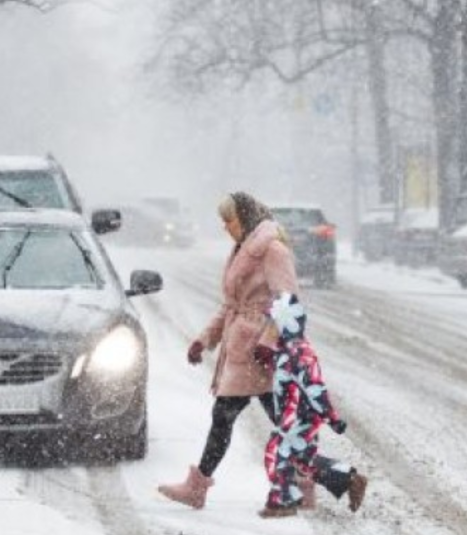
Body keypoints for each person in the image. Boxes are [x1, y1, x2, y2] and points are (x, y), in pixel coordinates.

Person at [157, 191, 296, 510]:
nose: (225, 227)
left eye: (229, 220)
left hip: (258, 351)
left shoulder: (272, 250)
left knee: (225, 416)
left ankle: (197, 488)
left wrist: (269, 343)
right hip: (243, 347)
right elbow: (232, 305)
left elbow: (288, 301)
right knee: (275, 422)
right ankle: (339, 478)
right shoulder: (243, 249)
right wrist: (204, 340)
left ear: (244, 217)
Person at [258, 291, 367, 518]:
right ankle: (348, 479)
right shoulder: (287, 350)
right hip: (294, 415)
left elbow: (315, 388)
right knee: (302, 459)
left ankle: (284, 501)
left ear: (286, 322)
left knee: (277, 451)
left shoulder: (298, 353)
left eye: (273, 322)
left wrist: (332, 418)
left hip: (301, 415)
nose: (268, 327)